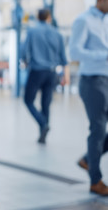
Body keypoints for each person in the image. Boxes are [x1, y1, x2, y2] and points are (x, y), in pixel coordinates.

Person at [70, 0, 108, 196]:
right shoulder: (83, 21)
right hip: (92, 82)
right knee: (98, 130)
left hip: (106, 79)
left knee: (100, 131)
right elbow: (74, 52)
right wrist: (104, 55)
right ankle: (96, 180)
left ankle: (87, 159)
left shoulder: (105, 21)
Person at [21, 8, 69, 144]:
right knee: (46, 104)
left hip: (36, 71)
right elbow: (64, 58)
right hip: (52, 73)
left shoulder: (32, 31)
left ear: (38, 17)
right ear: (49, 18)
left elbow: (24, 51)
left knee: (28, 100)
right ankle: (43, 134)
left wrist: (25, 61)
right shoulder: (58, 34)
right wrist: (66, 76)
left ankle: (43, 124)